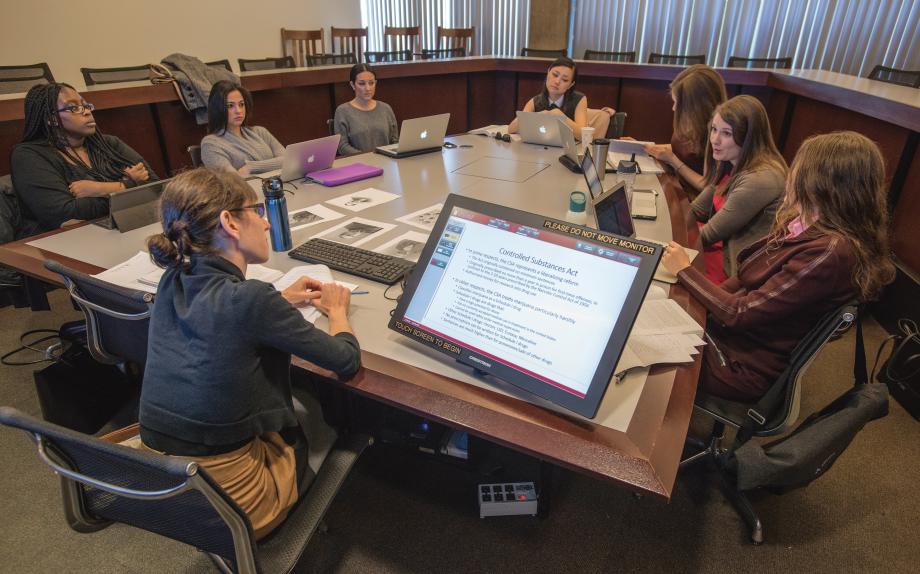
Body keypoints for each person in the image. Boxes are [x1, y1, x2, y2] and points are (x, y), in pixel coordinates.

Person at [139, 168, 361, 539]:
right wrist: (337, 310)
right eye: (256, 210)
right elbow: (345, 360)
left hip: (168, 486)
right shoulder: (251, 300)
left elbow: (222, 314)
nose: (266, 223)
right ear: (229, 222)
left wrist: (279, 299)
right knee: (326, 407)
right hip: (237, 503)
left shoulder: (172, 278)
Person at [661, 131, 895, 402]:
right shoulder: (807, 224)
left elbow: (739, 313)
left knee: (632, 342)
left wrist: (684, 272)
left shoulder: (829, 252)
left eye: (798, 167)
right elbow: (743, 278)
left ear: (820, 181)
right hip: (728, 336)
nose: (791, 174)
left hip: (740, 364)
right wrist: (692, 308)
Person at [10, 82, 157, 232]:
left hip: (121, 228)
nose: (86, 112)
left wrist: (101, 189)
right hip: (60, 241)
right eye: (73, 108)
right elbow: (64, 213)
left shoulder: (109, 144)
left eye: (86, 105)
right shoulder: (29, 155)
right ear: (51, 118)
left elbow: (156, 187)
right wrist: (127, 186)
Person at [687, 95, 786, 283]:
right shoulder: (732, 162)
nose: (715, 140)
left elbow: (708, 235)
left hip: (734, 272)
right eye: (714, 130)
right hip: (721, 252)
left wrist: (660, 242)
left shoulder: (761, 177)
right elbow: (696, 210)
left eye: (726, 133)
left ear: (748, 137)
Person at [642, 64, 727, 192]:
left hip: (693, 199)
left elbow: (707, 187)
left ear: (696, 106)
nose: (674, 108)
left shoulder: (717, 134)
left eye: (678, 103)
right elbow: (681, 149)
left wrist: (673, 160)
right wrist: (643, 147)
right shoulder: (692, 121)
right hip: (677, 185)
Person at [200, 81, 284, 176]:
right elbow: (234, 181)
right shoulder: (210, 144)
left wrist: (251, 167)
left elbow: (288, 159)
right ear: (217, 109)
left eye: (241, 104)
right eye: (230, 106)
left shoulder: (260, 132)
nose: (238, 111)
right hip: (246, 190)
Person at [508, 57, 599, 137]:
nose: (557, 81)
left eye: (565, 79)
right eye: (555, 75)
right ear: (548, 72)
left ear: (571, 84)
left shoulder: (579, 99)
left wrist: (560, 116)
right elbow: (511, 129)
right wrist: (538, 116)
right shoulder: (535, 101)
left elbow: (582, 134)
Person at [334, 64, 398, 156]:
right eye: (362, 83)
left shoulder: (386, 108)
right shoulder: (342, 111)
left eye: (371, 83)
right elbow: (342, 147)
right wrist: (367, 158)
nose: (367, 88)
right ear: (352, 85)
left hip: (386, 161)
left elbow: (395, 141)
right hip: (359, 165)